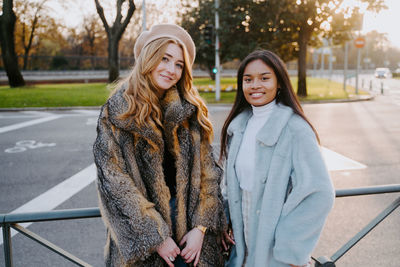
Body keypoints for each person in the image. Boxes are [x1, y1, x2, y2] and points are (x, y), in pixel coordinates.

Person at [93, 24, 227, 267]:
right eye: (165, 59)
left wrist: (201, 227)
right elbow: (113, 181)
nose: (171, 70)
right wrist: (155, 236)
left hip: (191, 239)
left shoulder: (190, 110)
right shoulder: (117, 111)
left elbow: (209, 174)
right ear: (149, 57)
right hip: (144, 237)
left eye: (179, 64)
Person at [219, 50, 335, 267]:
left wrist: (291, 249)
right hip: (241, 251)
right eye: (248, 79)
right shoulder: (238, 127)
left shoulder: (295, 129)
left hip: (276, 254)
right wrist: (224, 221)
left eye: (264, 78)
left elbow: (319, 192)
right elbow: (231, 186)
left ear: (279, 82)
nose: (255, 85)